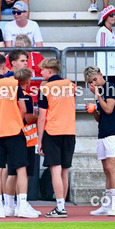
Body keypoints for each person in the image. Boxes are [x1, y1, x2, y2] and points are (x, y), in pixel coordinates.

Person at [0, 52, 39, 219]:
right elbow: (23, 109)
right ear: (5, 67)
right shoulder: (13, 84)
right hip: (14, 130)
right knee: (20, 168)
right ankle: (22, 205)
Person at [36, 57, 77, 217]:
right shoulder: (71, 85)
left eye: (43, 70)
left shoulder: (45, 89)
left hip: (53, 131)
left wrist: (39, 140)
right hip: (69, 131)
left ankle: (60, 207)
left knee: (55, 170)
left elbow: (41, 116)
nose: (40, 73)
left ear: (50, 70)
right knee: (64, 171)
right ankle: (62, 205)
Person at [83, 66, 115, 216]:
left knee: (111, 168)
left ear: (100, 75)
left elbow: (109, 109)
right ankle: (107, 204)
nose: (93, 83)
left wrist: (98, 96)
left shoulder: (111, 88)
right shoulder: (101, 92)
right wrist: (93, 111)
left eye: (94, 79)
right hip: (103, 133)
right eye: (90, 81)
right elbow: (101, 118)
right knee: (106, 170)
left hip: (114, 134)